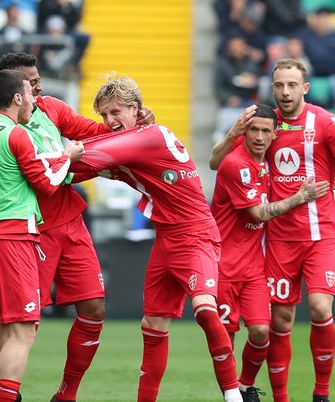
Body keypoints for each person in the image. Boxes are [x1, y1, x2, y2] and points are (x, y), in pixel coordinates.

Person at [70, 74, 242, 402]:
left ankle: (234, 396)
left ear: (136, 109)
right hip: (166, 238)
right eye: (105, 115)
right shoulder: (133, 143)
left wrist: (45, 154)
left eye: (116, 112)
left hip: (196, 234)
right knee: (153, 326)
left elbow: (85, 156)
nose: (110, 121)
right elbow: (81, 167)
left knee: (206, 312)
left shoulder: (148, 137)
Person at [0, 52, 154, 402]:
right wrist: (79, 161)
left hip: (70, 221)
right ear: (14, 90)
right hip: (30, 229)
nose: (39, 87)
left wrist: (131, 125)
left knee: (94, 308)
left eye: (39, 80)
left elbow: (95, 132)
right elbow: (51, 172)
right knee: (22, 324)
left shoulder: (52, 107)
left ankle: (67, 394)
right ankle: (7, 394)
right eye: (31, 83)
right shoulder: (5, 130)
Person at [209, 59, 335, 402]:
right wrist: (233, 133)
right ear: (272, 87)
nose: (285, 92)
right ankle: (275, 395)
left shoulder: (325, 122)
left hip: (321, 232)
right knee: (279, 320)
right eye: (279, 85)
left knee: (321, 309)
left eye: (292, 85)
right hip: (279, 237)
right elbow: (217, 161)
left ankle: (321, 393)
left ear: (305, 88)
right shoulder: (263, 125)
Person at [0, 69, 83, 402]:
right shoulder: (16, 134)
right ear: (16, 98)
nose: (33, 101)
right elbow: (47, 182)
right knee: (23, 332)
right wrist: (67, 156)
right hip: (12, 239)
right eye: (29, 95)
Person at [211, 105, 330, 401]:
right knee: (226, 338)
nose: (260, 137)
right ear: (244, 132)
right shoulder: (236, 163)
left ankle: (244, 385)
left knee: (262, 332)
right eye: (254, 130)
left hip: (253, 266)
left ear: (275, 134)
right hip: (223, 263)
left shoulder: (267, 161)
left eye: (266, 131)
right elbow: (260, 212)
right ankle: (233, 396)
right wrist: (300, 197)